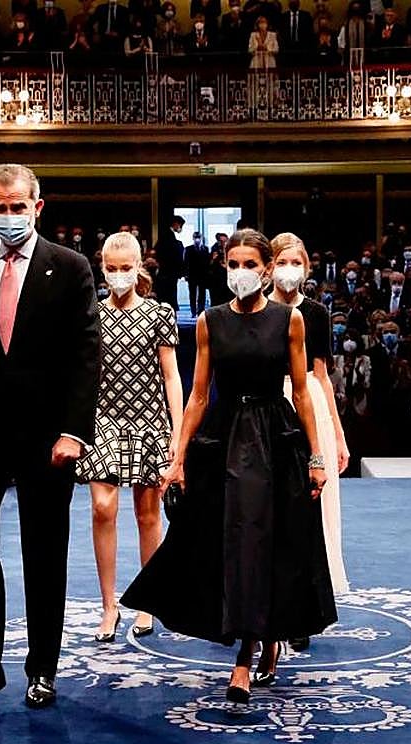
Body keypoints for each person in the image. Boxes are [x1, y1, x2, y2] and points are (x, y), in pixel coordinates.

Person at [122, 228, 335, 705]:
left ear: (266, 268)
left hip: (275, 438)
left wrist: (317, 457)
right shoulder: (209, 321)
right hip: (224, 437)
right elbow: (198, 395)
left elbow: (301, 391)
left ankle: (250, 652)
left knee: (269, 541)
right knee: (230, 542)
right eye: (233, 264)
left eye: (249, 265)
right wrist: (177, 456)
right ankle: (249, 641)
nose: (241, 272)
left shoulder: (290, 320)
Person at [0, 164, 99, 716]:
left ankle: (43, 667)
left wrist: (75, 431)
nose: (8, 215)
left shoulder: (71, 267)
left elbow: (85, 359)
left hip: (48, 436)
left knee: (44, 550)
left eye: (17, 206)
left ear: (38, 206)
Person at [76, 233, 182, 642]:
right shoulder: (92, 315)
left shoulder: (158, 314)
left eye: (125, 268)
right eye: (111, 269)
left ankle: (145, 602)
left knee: (148, 515)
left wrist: (176, 429)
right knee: (103, 508)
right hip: (102, 419)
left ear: (140, 267)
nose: (118, 276)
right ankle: (108, 606)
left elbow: (171, 375)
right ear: (101, 269)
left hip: (149, 420)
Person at [267, 232, 350, 604]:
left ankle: (307, 600)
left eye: (295, 262)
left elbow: (322, 376)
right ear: (269, 267)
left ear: (307, 267)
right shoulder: (255, 307)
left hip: (311, 404)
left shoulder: (317, 312)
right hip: (268, 403)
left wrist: (338, 434)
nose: (289, 269)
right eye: (282, 262)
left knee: (313, 502)